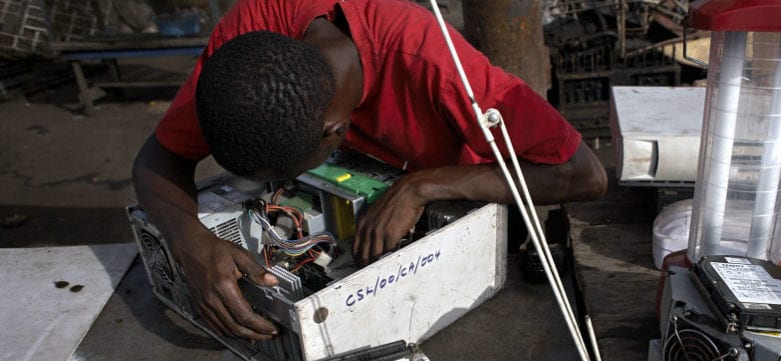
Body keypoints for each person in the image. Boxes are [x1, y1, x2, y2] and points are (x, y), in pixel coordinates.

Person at [132, 0, 607, 342]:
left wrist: (423, 184)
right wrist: (189, 241)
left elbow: (585, 174)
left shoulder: (429, 57)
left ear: (335, 132)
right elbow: (157, 158)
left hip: (460, 219)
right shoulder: (252, 40)